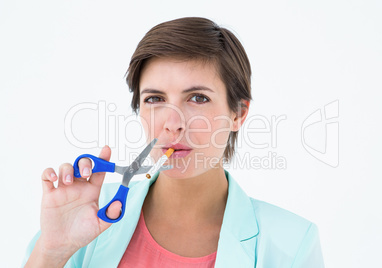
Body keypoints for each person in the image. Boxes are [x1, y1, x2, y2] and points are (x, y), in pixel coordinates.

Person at [23, 17, 324, 267]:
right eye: (155, 99)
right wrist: (52, 251)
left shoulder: (292, 245)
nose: (173, 123)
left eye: (198, 98)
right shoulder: (89, 214)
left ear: (238, 114)